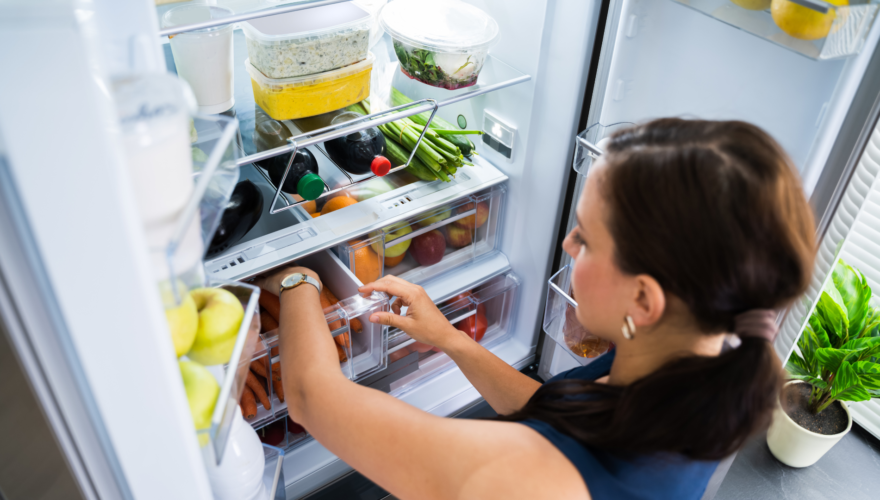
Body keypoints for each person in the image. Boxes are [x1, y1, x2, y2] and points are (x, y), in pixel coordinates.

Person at [257, 118, 815, 500]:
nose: (569, 245)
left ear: (645, 299)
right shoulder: (702, 368)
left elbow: (310, 396)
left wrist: (298, 268)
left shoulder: (530, 480)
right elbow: (561, 413)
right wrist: (453, 340)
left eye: (588, 239)